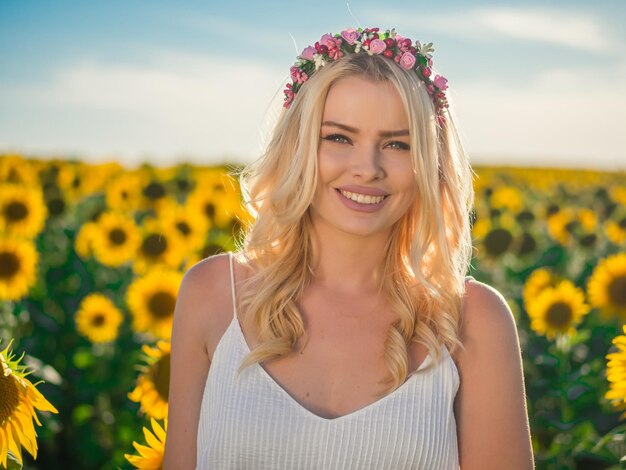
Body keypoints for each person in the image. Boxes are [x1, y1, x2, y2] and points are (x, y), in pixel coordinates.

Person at [163, 27, 534, 469]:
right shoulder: (212, 294)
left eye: (397, 144)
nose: (367, 168)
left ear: (427, 165)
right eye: (339, 137)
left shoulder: (474, 320)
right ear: (298, 146)